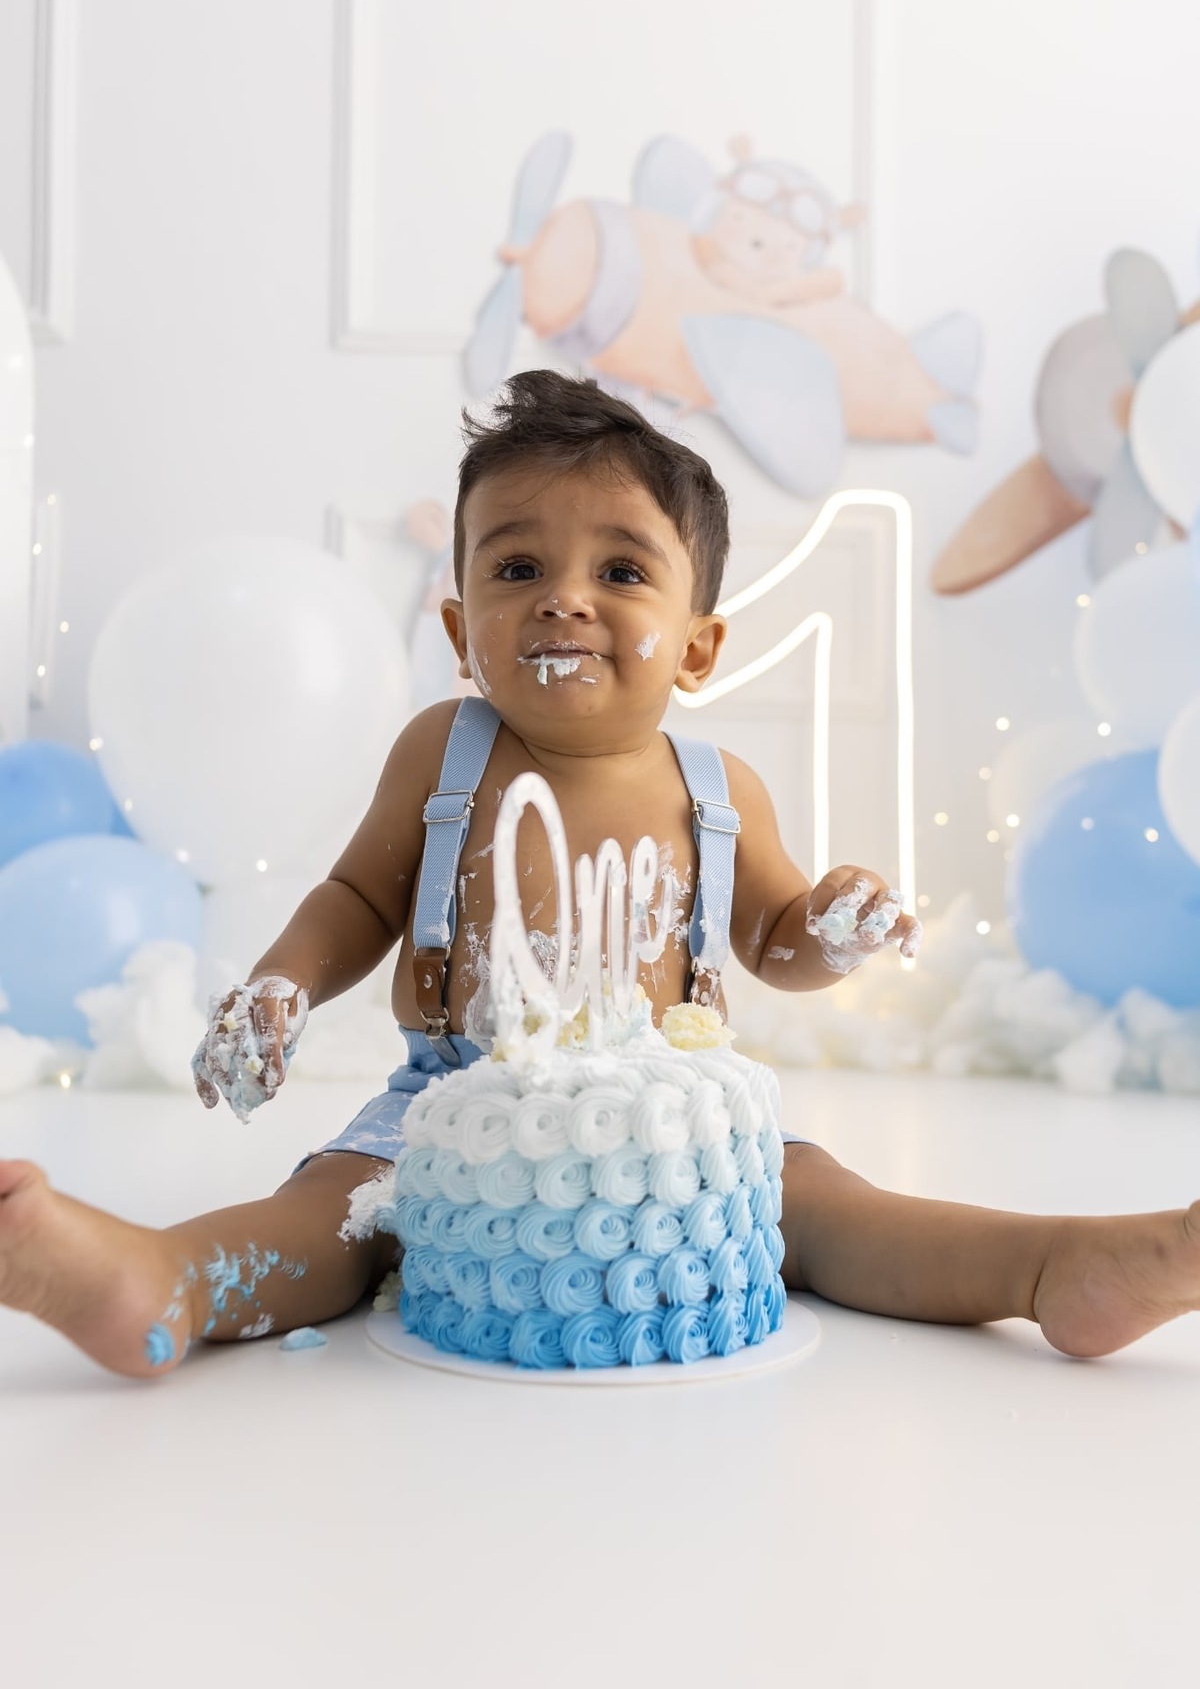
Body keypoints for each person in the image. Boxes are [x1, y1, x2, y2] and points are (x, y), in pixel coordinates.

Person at [1, 370, 1197, 1379]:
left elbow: (773, 937)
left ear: (697, 643)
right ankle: (168, 1284)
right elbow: (359, 898)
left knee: (820, 1203)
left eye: (622, 573)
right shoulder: (442, 751)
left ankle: (1052, 1266)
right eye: (517, 568)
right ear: (464, 628)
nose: (565, 594)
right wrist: (280, 987)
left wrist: (828, 928)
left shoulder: (717, 788)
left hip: (662, 1109)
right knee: (343, 1215)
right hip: (443, 1102)